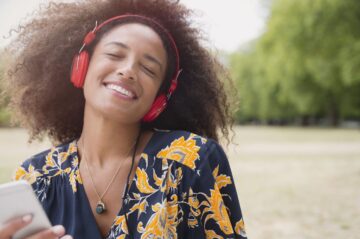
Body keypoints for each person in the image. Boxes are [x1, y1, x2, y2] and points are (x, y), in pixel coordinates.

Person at [2, 0, 247, 238]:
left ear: (159, 99)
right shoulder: (36, 177)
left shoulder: (190, 160)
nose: (128, 70)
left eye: (149, 69)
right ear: (81, 65)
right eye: (115, 54)